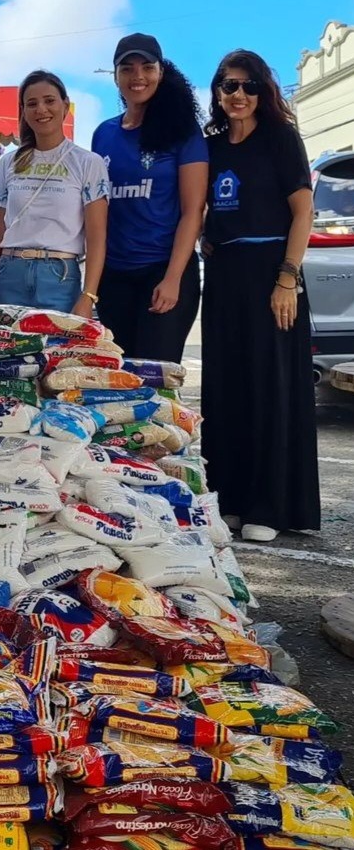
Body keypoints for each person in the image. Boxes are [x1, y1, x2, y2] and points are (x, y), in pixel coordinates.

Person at [201, 50, 319, 543]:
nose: (239, 96)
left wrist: (287, 278)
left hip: (273, 276)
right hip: (226, 277)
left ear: (263, 91)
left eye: (249, 86)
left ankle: (268, 505)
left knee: (270, 388)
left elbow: (303, 212)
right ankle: (229, 498)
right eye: (230, 86)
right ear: (217, 92)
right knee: (227, 388)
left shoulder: (281, 139)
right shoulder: (211, 145)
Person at [92, 33, 207, 361]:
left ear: (161, 72)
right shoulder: (103, 134)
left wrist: (172, 279)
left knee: (157, 379)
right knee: (118, 377)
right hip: (114, 277)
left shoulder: (183, 131)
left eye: (147, 67)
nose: (137, 76)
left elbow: (192, 211)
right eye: (126, 68)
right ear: (115, 77)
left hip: (163, 273)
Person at [0, 71, 109, 314]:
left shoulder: (88, 163)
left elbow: (96, 236)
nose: (41, 109)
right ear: (24, 112)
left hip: (59, 275)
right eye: (32, 104)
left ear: (65, 106)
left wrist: (88, 295)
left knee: (56, 350)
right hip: (10, 273)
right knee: (8, 350)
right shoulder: (9, 163)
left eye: (49, 101)